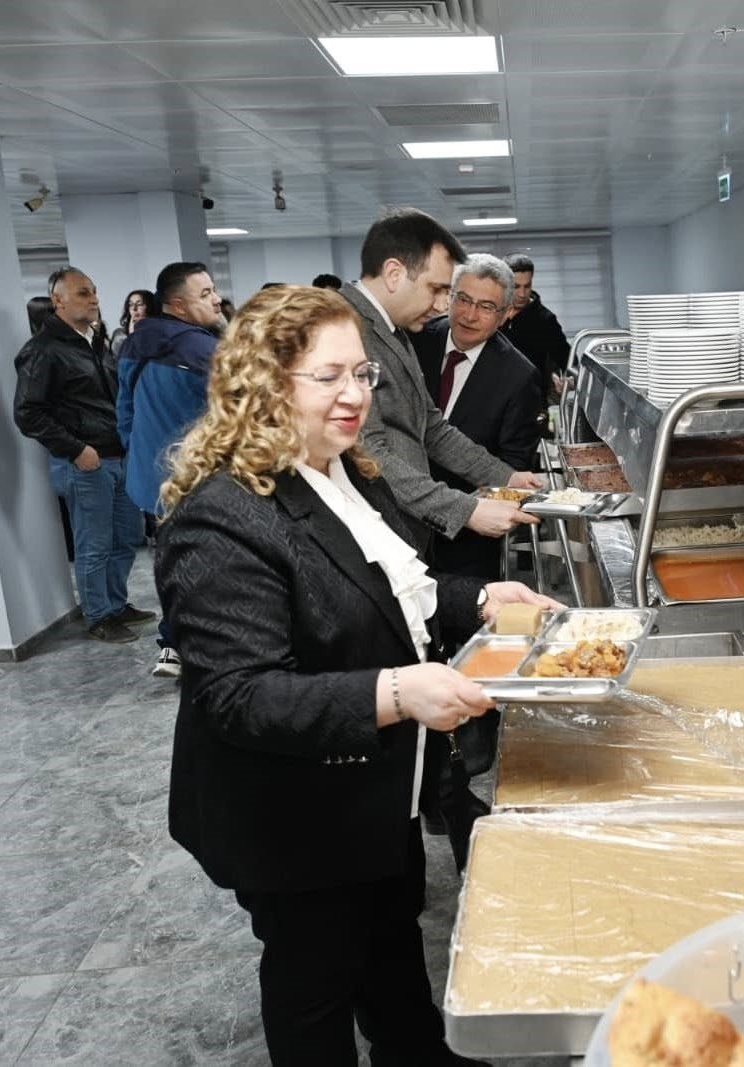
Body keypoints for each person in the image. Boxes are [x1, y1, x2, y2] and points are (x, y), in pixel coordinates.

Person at [156, 284, 556, 1064]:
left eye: (363, 374)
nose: (354, 396)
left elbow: (384, 592)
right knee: (316, 981)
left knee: (390, 942)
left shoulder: (341, 470)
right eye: (328, 377)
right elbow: (242, 697)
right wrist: (398, 690)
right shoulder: (223, 515)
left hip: (378, 790)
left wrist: (477, 598)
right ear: (266, 385)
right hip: (294, 812)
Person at [347, 208, 542, 555]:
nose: (443, 306)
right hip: (374, 532)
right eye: (439, 290)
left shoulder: (396, 331)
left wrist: (505, 476)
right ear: (394, 274)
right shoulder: (346, 328)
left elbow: (431, 427)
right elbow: (366, 451)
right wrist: (463, 510)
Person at [13, 266, 149, 643]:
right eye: (83, 293)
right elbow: (28, 413)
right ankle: (99, 615)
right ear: (58, 300)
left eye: (94, 292)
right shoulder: (42, 350)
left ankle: (117, 604)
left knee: (126, 537)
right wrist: (76, 450)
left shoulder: (94, 341)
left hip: (118, 455)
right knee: (95, 544)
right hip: (85, 462)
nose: (94, 300)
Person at [116, 261, 223, 678]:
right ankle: (189, 641)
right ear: (176, 304)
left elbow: (124, 411)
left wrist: (138, 455)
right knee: (207, 562)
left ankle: (173, 642)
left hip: (152, 482)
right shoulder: (203, 351)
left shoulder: (132, 345)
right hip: (200, 480)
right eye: (205, 293)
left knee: (171, 560)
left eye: (213, 290)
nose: (215, 298)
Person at [410, 253, 543, 579]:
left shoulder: (518, 376)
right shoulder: (414, 341)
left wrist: (464, 511)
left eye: (486, 307)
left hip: (466, 542)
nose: (469, 315)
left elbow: (510, 464)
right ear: (449, 297)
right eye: (463, 300)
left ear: (506, 313)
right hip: (399, 523)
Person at [498, 253, 570, 402]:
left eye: (527, 286)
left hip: (532, 400)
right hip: (496, 397)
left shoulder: (545, 320)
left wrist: (563, 378)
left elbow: (567, 360)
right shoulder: (492, 313)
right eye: (516, 287)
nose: (522, 293)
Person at [109, 289, 155, 356]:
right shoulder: (119, 334)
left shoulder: (159, 335)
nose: (134, 308)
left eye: (139, 304)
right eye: (130, 304)